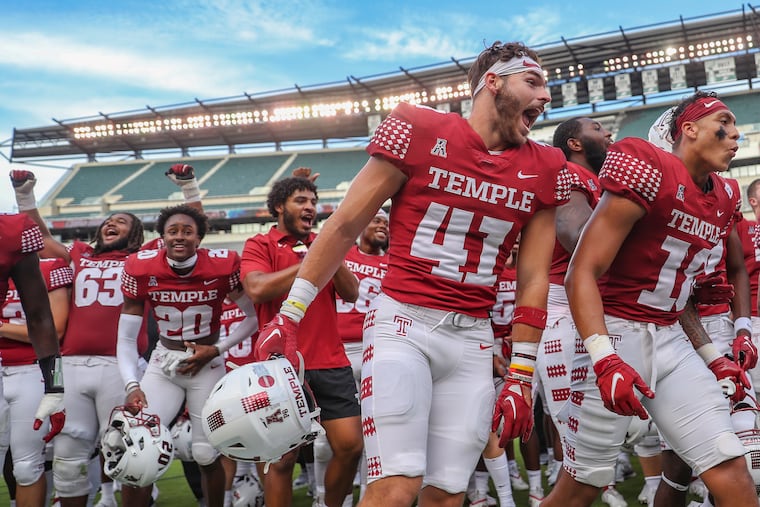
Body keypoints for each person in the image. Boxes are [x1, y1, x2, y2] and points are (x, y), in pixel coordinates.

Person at [252, 41, 572, 507]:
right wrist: (291, 313)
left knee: (446, 497)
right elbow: (343, 225)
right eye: (534, 82)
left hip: (473, 341)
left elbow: (533, 278)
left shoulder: (546, 166)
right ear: (493, 81)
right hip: (404, 324)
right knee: (395, 488)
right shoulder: (419, 128)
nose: (546, 97)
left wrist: (522, 373)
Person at [542, 91, 758, 507]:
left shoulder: (725, 195)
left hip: (671, 339)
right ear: (688, 129)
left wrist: (714, 356)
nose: (736, 136)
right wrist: (604, 356)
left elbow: (676, 294)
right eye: (724, 123)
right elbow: (581, 271)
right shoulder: (647, 164)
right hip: (616, 333)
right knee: (581, 489)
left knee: (730, 465)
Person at [10, 164, 204, 507]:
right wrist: (24, 194)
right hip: (68, 364)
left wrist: (189, 190)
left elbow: (187, 230)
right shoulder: (80, 254)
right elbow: (37, 238)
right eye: (109, 220)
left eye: (122, 221)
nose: (111, 223)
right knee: (68, 458)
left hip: (120, 365)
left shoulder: (144, 258)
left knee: (129, 452)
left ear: (135, 235)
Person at [116, 204, 259, 507]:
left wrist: (216, 349)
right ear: (162, 237)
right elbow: (126, 336)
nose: (179, 236)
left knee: (206, 452)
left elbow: (252, 317)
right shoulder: (141, 268)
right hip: (163, 361)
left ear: (199, 238)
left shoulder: (221, 266)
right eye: (173, 231)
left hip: (206, 365)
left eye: (187, 231)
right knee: (140, 447)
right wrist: (132, 384)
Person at [241, 176, 362, 507]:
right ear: (279, 206)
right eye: (300, 200)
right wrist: (312, 262)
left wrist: (327, 249)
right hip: (279, 367)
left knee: (351, 447)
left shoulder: (325, 244)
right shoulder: (259, 244)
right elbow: (258, 288)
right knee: (281, 459)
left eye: (312, 201)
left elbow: (352, 292)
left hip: (331, 361)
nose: (310, 207)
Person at [537, 116, 630, 507]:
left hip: (589, 309)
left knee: (594, 438)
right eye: (597, 128)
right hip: (565, 311)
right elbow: (574, 236)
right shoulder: (569, 175)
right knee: (576, 437)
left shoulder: (600, 184)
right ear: (574, 143)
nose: (608, 133)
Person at [0, 254, 72, 507]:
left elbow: (56, 330)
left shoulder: (49, 268)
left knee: (27, 466)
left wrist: (58, 386)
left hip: (32, 372)